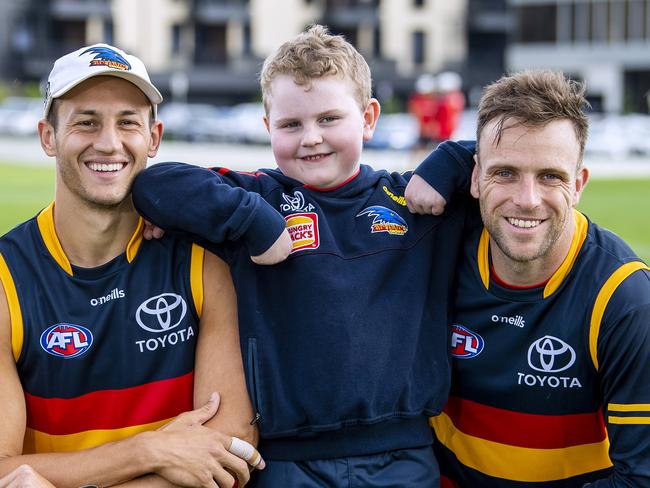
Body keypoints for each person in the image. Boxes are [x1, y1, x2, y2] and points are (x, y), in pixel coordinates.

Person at [132, 25, 466, 487]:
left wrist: (449, 160)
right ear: (269, 127)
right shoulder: (257, 194)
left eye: (329, 118)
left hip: (403, 455)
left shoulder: (410, 199)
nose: (311, 138)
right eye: (291, 124)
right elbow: (157, 183)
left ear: (369, 118)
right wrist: (254, 223)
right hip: (286, 462)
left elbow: (508, 157)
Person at [0, 43, 266, 487]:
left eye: (128, 123)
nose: (109, 143)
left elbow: (229, 454)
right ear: (48, 136)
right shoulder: (7, 277)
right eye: (86, 122)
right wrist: (152, 448)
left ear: (154, 138)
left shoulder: (203, 262)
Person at [407, 70, 650, 486]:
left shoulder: (626, 300)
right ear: (475, 177)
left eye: (550, 176)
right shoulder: (435, 248)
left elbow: (641, 478)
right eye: (505, 173)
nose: (527, 199)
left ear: (578, 185)